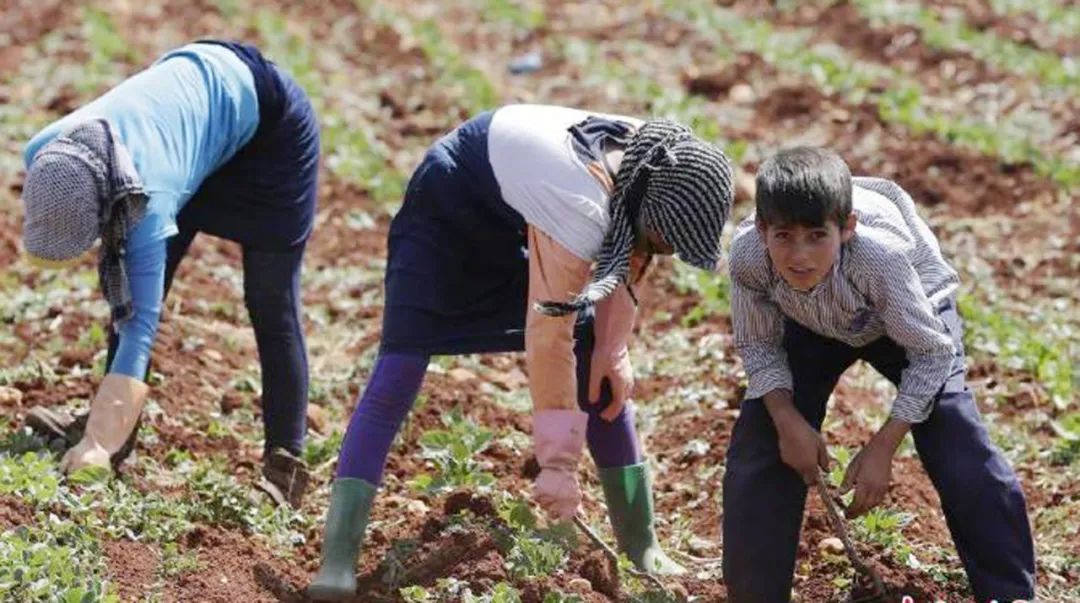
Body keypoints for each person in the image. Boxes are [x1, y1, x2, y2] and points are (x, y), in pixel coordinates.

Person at [307, 104, 734, 600]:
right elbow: (550, 336)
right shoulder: (584, 206)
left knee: (600, 369)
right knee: (401, 366)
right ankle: (337, 558)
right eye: (669, 240)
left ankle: (642, 547)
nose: (669, 252)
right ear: (649, 210)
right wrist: (558, 465)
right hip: (450, 207)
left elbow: (633, 249)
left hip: (518, 211)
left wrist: (614, 350)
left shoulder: (659, 162)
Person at [722, 146, 1036, 602]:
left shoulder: (880, 258)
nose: (799, 255)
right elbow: (758, 343)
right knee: (762, 444)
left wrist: (883, 445)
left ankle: (1009, 594)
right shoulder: (750, 256)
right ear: (763, 228)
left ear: (846, 229)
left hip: (909, 319)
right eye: (783, 236)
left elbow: (930, 355)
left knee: (956, 439)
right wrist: (788, 419)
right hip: (809, 319)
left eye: (816, 235)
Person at [20, 40, 320, 508]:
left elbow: (140, 321)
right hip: (194, 124)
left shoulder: (150, 199)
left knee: (269, 297)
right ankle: (115, 426)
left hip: (273, 134)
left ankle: (286, 465)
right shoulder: (46, 150)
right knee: (129, 277)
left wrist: (97, 446)